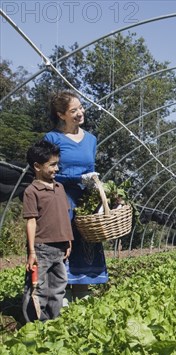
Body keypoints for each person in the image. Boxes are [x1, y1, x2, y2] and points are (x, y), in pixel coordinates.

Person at [44, 91, 107, 301]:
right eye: (74, 110)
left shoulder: (91, 139)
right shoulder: (52, 138)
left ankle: (82, 289)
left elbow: (91, 168)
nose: (80, 113)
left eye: (81, 107)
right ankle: (60, 292)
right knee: (61, 242)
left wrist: (95, 186)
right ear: (61, 115)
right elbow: (47, 169)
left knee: (85, 240)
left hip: (84, 197)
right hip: (59, 196)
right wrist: (71, 178)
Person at [22, 140, 73, 322]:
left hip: (60, 247)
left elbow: (64, 217)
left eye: (57, 164)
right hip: (41, 247)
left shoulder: (60, 188)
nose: (56, 169)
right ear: (37, 166)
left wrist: (68, 240)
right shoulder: (32, 191)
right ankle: (34, 325)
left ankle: (53, 321)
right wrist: (32, 252)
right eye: (52, 165)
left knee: (58, 286)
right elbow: (31, 222)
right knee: (38, 288)